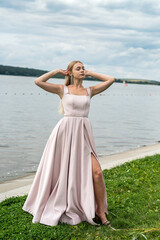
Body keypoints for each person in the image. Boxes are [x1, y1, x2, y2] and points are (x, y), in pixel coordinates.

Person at [22, 60, 115, 229]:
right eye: (78, 68)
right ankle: (64, 201)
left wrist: (91, 73)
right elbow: (38, 81)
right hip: (64, 134)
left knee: (96, 172)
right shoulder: (62, 89)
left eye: (83, 68)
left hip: (83, 135)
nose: (82, 70)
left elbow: (111, 79)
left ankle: (101, 212)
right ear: (70, 72)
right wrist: (56, 71)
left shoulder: (89, 91)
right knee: (61, 170)